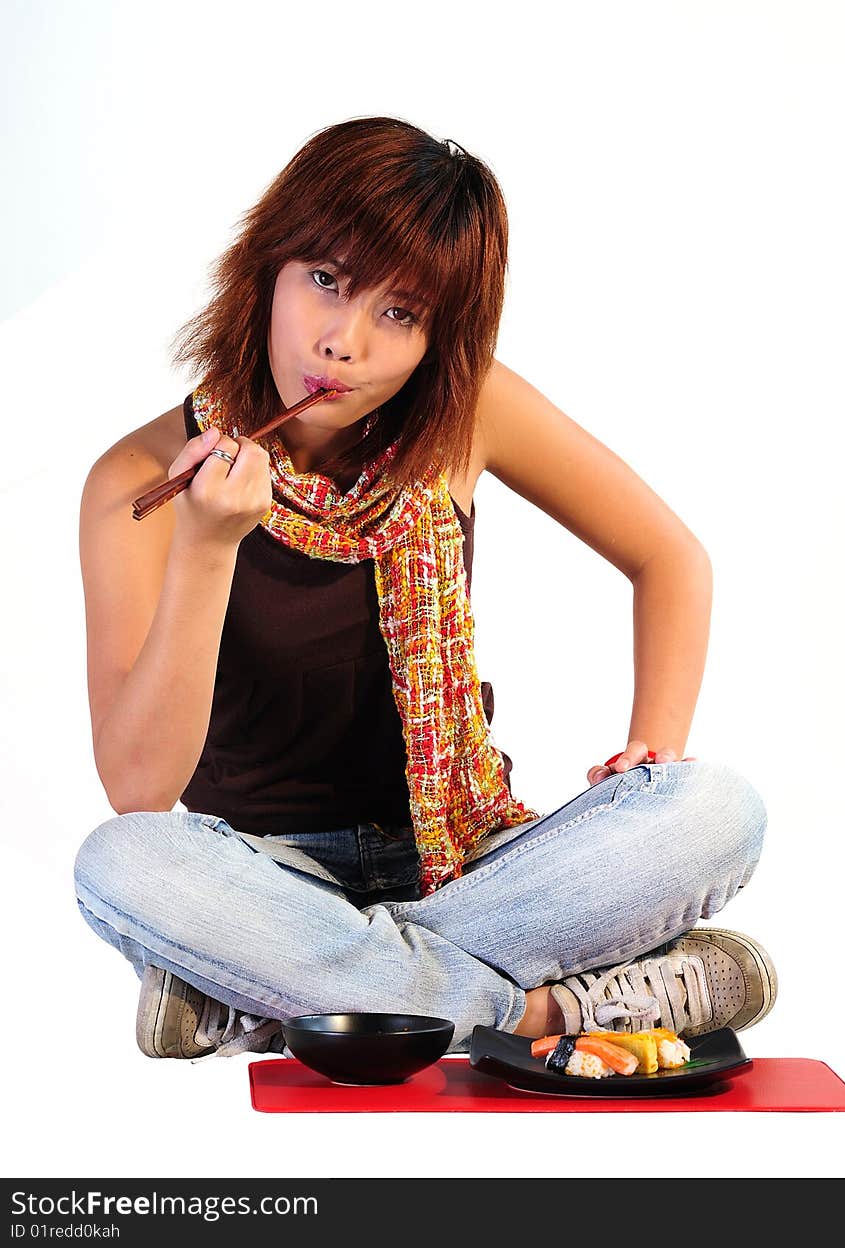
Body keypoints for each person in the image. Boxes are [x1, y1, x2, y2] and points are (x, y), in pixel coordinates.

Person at [74, 116, 775, 1061]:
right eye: (325, 280)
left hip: (473, 859)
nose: (342, 342)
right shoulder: (139, 480)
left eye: (398, 313)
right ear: (266, 267)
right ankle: (549, 1011)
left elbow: (670, 557)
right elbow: (138, 788)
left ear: (439, 335)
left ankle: (280, 997)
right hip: (266, 875)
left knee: (717, 811)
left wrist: (656, 740)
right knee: (121, 865)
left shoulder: (466, 411)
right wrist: (205, 545)